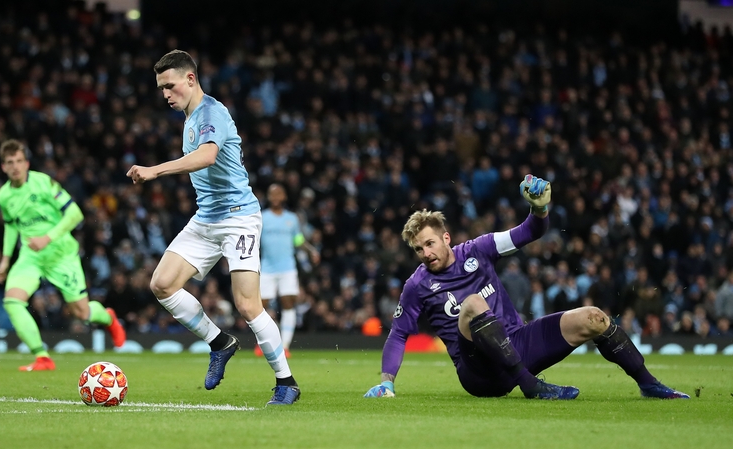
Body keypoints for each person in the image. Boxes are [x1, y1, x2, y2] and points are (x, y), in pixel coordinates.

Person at [365, 175, 689, 400]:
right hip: (478, 373)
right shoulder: (417, 285)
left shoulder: (479, 248)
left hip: (517, 343)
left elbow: (529, 232)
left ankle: (649, 385)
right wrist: (385, 383)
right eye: (419, 250)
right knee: (474, 304)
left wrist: (539, 209)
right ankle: (531, 386)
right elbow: (398, 334)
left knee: (594, 317)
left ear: (446, 238)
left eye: (430, 244)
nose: (426, 253)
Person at [126, 50, 300, 405]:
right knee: (161, 284)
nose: (165, 95)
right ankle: (220, 343)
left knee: (248, 304)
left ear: (190, 79)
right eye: (161, 89)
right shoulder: (190, 117)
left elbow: (207, 156)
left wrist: (155, 170)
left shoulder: (211, 113)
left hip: (238, 218)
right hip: (207, 217)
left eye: (170, 86)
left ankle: (287, 382)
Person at [0, 139, 126, 371]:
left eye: (18, 161)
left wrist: (46, 238)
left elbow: (75, 214)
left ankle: (108, 317)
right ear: (3, 167)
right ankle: (42, 357)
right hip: (30, 257)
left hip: (61, 253)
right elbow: (11, 226)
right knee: (12, 301)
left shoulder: (44, 183)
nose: (14, 166)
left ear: (26, 163)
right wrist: (5, 260)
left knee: (82, 313)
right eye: (9, 163)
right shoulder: (4, 195)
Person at [255, 183, 320, 358]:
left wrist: (311, 250)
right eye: (272, 194)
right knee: (262, 306)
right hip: (267, 268)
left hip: (287, 269)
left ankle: (284, 346)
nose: (275, 197)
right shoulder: (262, 218)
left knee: (288, 304)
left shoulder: (291, 219)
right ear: (268, 197)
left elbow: (298, 240)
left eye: (279, 194)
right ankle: (263, 343)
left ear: (284, 197)